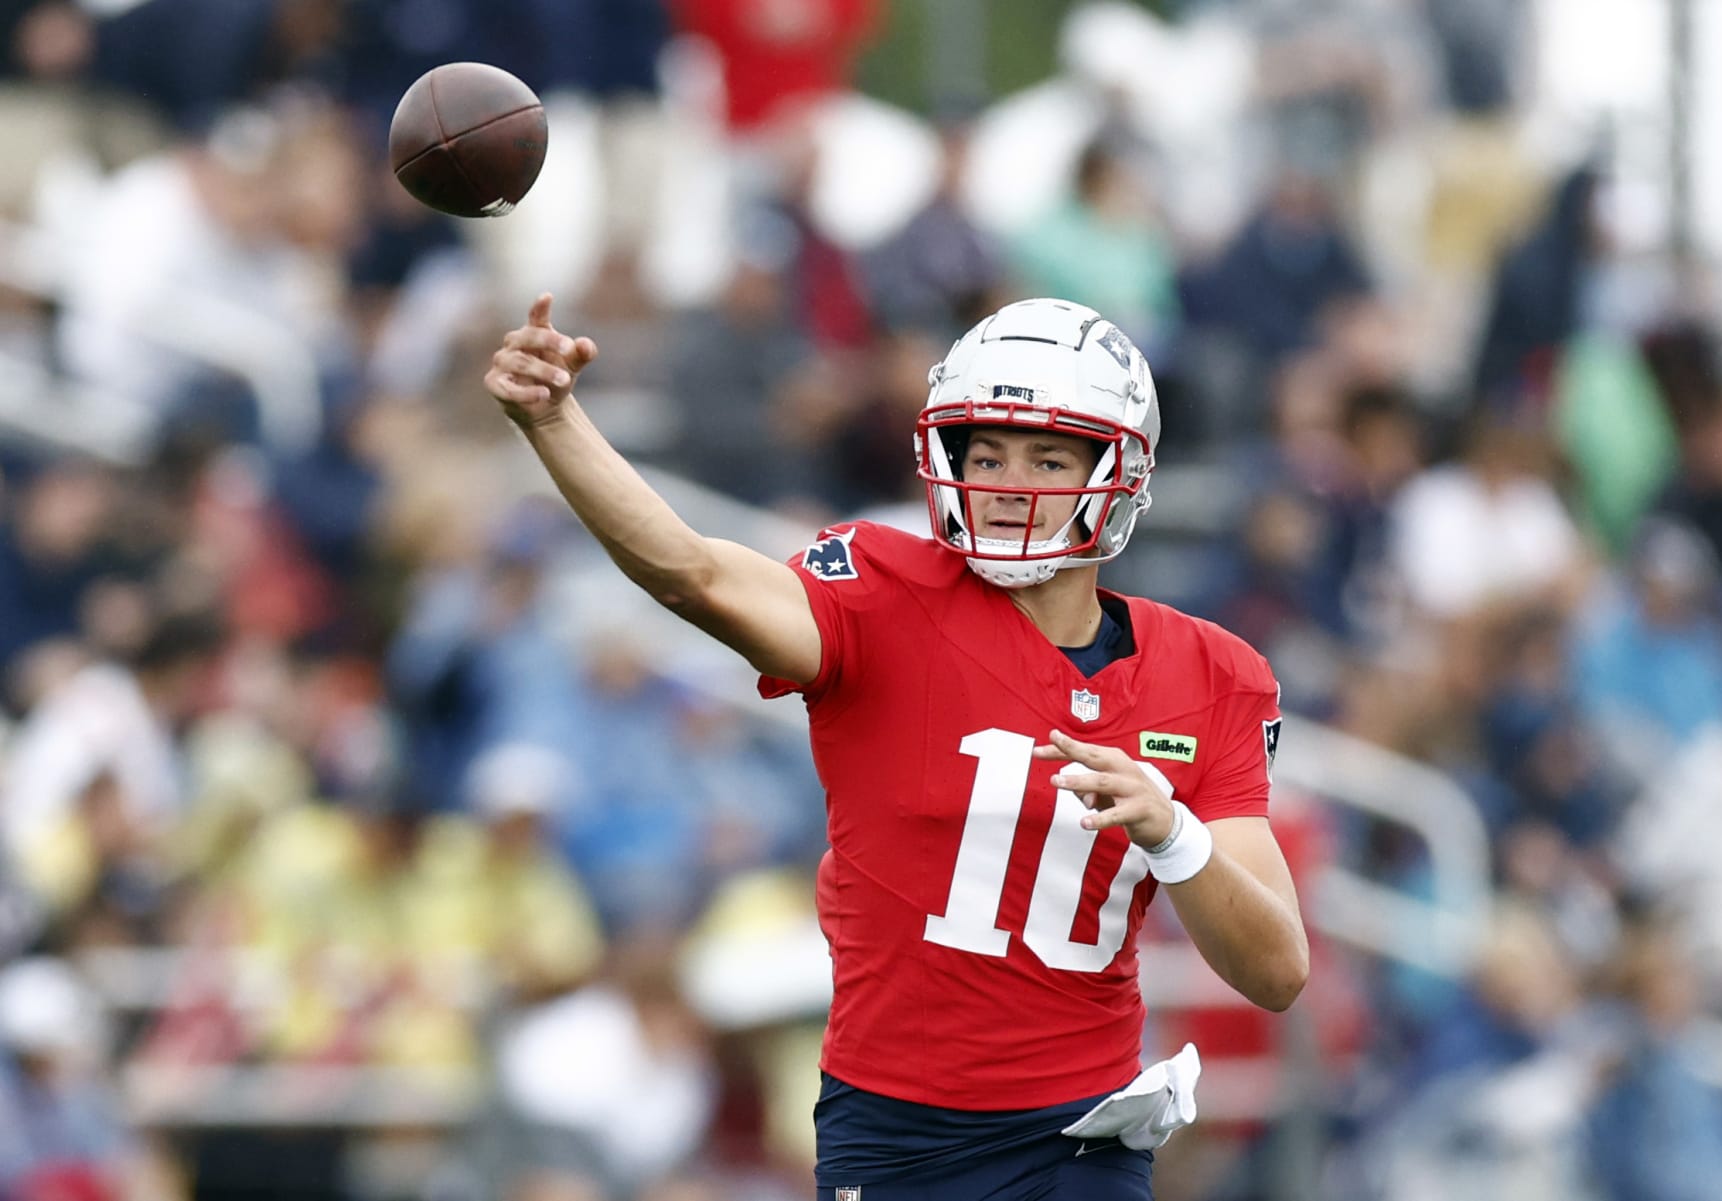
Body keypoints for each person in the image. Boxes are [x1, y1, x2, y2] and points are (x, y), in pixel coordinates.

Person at [483, 294, 1310, 1199]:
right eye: (985, 451)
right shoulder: (881, 593)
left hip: (1083, 1132)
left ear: (1119, 470)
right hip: (895, 1130)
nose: (1004, 480)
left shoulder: (1210, 672)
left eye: (1045, 455)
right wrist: (555, 421)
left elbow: (1275, 971)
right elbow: (694, 573)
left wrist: (1173, 834)